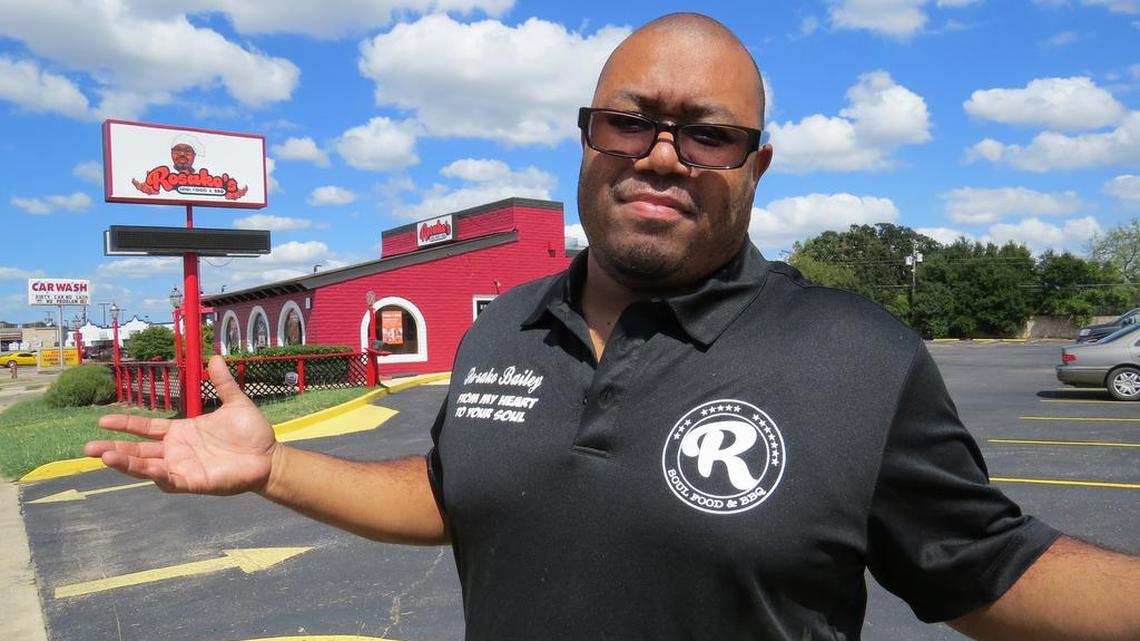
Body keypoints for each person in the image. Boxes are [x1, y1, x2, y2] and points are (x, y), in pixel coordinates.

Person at [87, 12, 1139, 641]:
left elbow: (994, 572)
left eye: (709, 133)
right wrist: (274, 466)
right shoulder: (505, 324)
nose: (663, 154)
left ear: (756, 165)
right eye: (629, 119)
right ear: (589, 139)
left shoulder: (857, 354)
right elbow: (468, 489)